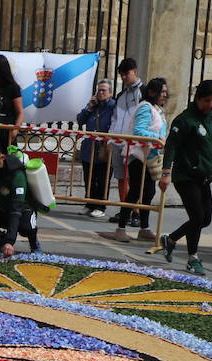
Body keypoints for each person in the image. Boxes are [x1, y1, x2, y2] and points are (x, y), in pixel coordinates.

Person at [157, 79, 212, 276]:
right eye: (206, 101)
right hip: (186, 176)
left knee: (205, 219)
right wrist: (166, 173)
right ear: (198, 98)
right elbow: (172, 147)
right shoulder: (185, 120)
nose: (210, 105)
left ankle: (171, 240)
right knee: (197, 217)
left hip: (204, 177)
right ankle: (192, 258)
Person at [99, 76, 166, 243]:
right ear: (152, 92)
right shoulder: (145, 108)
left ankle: (144, 228)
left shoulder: (157, 109)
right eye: (162, 92)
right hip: (137, 156)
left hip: (149, 157)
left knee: (148, 192)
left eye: (166, 92)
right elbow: (139, 131)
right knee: (135, 191)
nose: (165, 95)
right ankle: (121, 228)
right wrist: (158, 138)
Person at [108, 57, 144, 225]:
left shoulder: (142, 92)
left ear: (135, 72)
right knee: (121, 178)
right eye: (121, 75)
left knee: (134, 179)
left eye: (126, 74)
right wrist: (110, 138)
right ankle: (125, 210)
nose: (123, 78)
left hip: (134, 142)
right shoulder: (121, 95)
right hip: (118, 141)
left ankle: (136, 212)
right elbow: (115, 118)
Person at [74, 78, 114, 218]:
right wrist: (89, 107)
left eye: (104, 90)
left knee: (103, 178)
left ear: (110, 92)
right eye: (99, 90)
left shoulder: (113, 107)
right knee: (89, 177)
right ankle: (89, 203)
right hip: (89, 148)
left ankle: (100, 205)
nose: (101, 93)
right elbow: (80, 120)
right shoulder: (93, 106)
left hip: (104, 148)